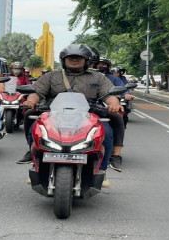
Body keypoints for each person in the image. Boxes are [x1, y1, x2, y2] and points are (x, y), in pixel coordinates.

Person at [17, 44, 123, 187]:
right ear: (63, 60)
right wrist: (30, 101)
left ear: (86, 60)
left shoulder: (98, 77)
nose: (74, 60)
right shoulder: (51, 75)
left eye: (79, 58)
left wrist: (114, 104)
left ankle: (103, 169)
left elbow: (109, 95)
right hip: (53, 111)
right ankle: (33, 155)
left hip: (88, 113)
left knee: (107, 131)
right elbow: (37, 92)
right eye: (71, 58)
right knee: (32, 120)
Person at [97, 57, 129, 172]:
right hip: (73, 111)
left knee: (117, 119)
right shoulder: (56, 76)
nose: (100, 66)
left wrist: (116, 101)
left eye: (103, 64)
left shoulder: (104, 79)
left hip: (100, 109)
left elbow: (114, 93)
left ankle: (115, 156)